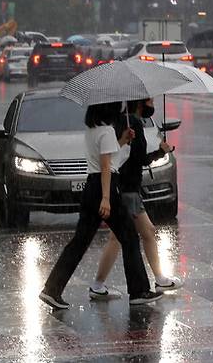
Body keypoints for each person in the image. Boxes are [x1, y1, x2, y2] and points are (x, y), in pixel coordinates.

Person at [40, 101, 163, 309]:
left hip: (91, 188)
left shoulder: (92, 131)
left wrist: (123, 141)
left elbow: (108, 158)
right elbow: (106, 166)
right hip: (105, 188)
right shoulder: (106, 131)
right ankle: (138, 290)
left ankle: (52, 289)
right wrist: (106, 199)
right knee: (130, 237)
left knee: (79, 243)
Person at [89, 98, 183, 300]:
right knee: (138, 234)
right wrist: (161, 151)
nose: (152, 104)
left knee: (125, 236)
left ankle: (99, 284)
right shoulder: (134, 123)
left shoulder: (121, 122)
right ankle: (156, 280)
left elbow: (123, 154)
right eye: (150, 100)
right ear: (141, 103)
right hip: (128, 188)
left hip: (122, 186)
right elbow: (138, 159)